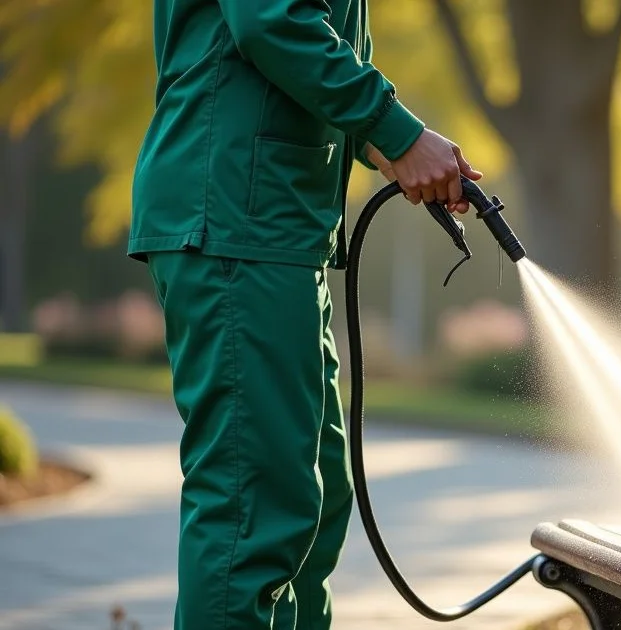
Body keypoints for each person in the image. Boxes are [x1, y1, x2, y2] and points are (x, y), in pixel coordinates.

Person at [127, 1, 479, 627]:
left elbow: (310, 39)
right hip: (238, 214)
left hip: (277, 227)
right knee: (253, 510)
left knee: (315, 498)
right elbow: (272, 18)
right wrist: (395, 129)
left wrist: (388, 144)